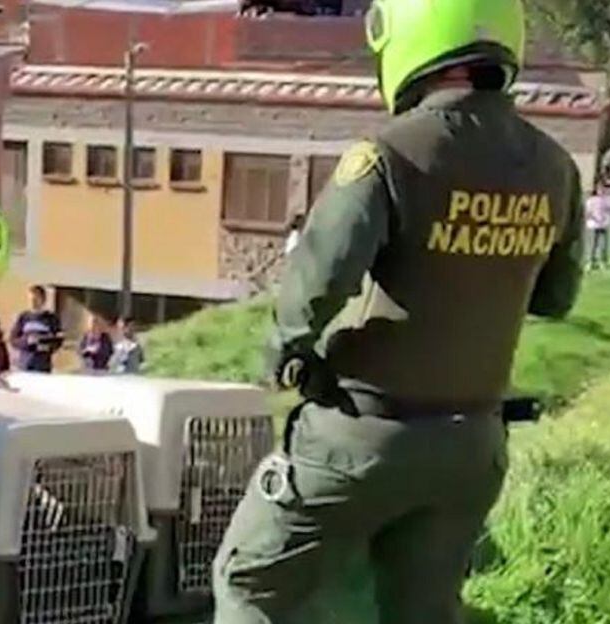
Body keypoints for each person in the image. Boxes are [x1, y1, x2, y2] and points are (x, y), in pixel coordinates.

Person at [211, 1, 584, 622]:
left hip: (361, 437)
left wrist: (286, 351)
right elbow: (556, 297)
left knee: (250, 581)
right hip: (472, 446)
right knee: (423, 611)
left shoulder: (389, 155)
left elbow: (315, 287)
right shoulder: (556, 166)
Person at [10, 285, 63, 372]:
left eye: (35, 299)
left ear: (43, 300)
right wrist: (26, 341)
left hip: (43, 365)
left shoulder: (52, 318)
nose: (33, 302)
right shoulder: (23, 317)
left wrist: (44, 344)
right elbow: (13, 340)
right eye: (31, 299)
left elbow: (58, 340)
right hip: (25, 364)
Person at [585, 187, 610, 270]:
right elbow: (587, 213)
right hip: (593, 225)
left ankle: (601, 262)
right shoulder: (591, 201)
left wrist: (607, 219)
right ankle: (590, 262)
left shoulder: (606, 200)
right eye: (600, 190)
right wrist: (594, 218)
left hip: (602, 225)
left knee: (602, 244)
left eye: (603, 190)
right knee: (592, 244)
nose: (601, 192)